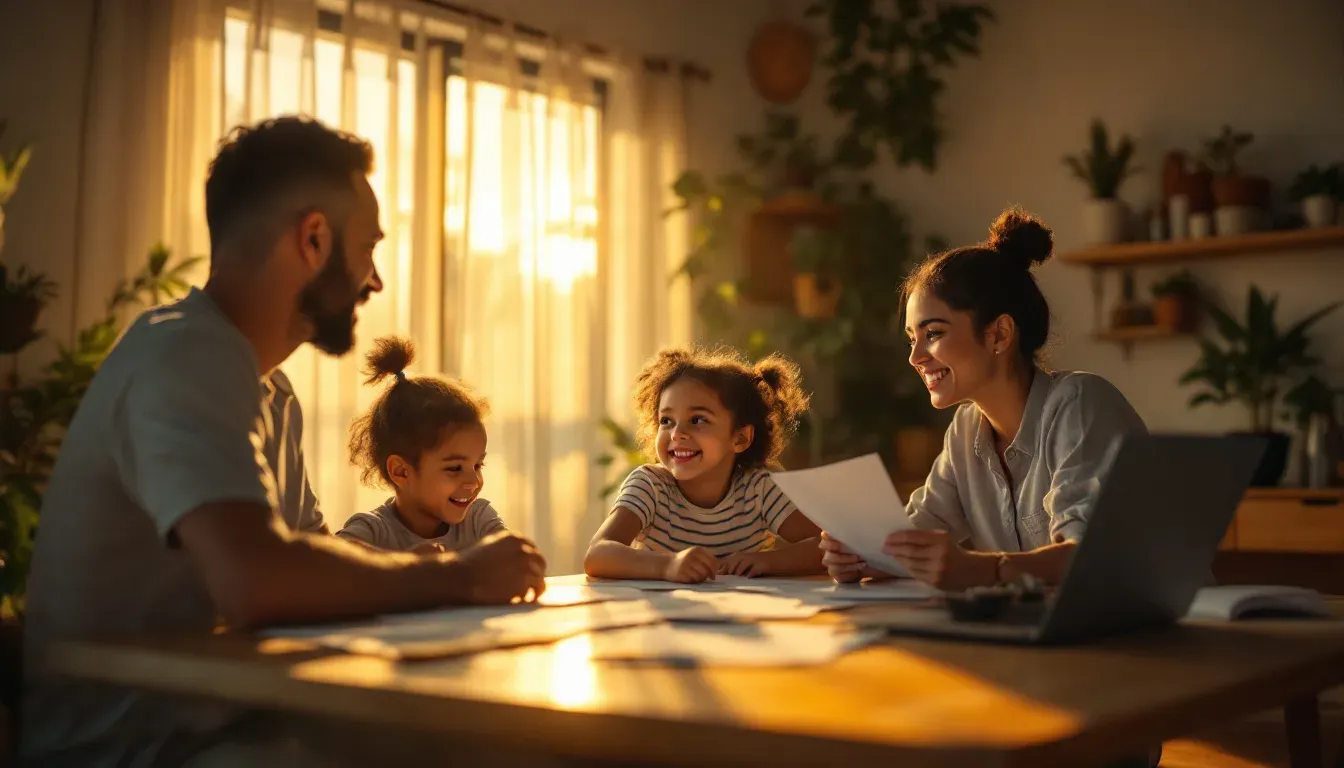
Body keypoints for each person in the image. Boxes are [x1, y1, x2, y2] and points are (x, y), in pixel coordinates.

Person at [20, 116, 547, 768]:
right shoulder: (183, 352)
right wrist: (458, 575)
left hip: (226, 723)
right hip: (134, 752)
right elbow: (258, 580)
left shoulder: (270, 390)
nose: (374, 280)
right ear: (314, 238)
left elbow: (309, 562)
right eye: (368, 248)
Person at [820, 207, 1147, 590]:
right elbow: (913, 537)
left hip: (1148, 639)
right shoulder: (966, 430)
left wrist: (986, 570)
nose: (915, 357)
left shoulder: (1080, 403)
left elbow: (1090, 555)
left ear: (999, 335)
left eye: (934, 333)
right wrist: (860, 555)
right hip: (1042, 640)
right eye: (912, 338)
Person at [585, 346, 824, 583]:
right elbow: (598, 554)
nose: (677, 433)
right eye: (666, 421)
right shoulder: (650, 485)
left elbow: (828, 545)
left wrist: (767, 561)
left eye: (697, 420)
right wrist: (668, 565)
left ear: (740, 438)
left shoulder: (759, 487)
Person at [338, 336, 507, 553]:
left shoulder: (479, 520)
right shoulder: (372, 531)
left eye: (477, 466)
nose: (474, 481)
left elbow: (510, 561)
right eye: (455, 468)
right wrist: (408, 568)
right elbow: (329, 566)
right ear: (401, 471)